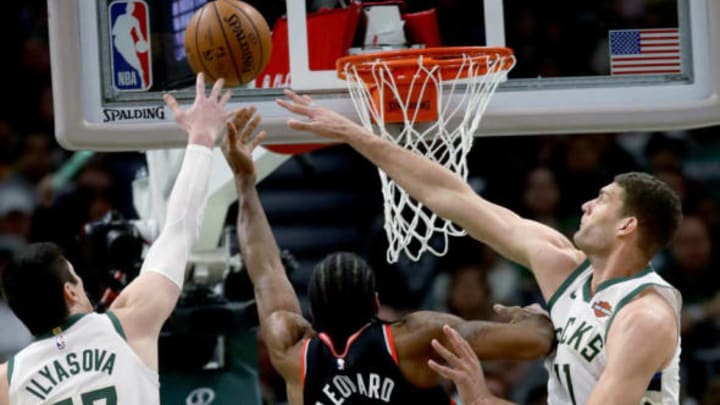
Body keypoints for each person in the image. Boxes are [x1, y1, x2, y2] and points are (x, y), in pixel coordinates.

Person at [276, 90, 683, 404]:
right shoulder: (561, 265)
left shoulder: (644, 316)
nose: (586, 205)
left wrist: (484, 398)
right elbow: (452, 196)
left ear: (628, 225)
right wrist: (354, 134)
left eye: (602, 199)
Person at [220, 108, 556, 405]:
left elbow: (265, 270)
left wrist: (245, 183)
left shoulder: (292, 355)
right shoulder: (415, 337)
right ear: (376, 303)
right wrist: (533, 316)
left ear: (311, 312)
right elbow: (536, 342)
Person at [0, 73, 240, 404]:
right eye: (78, 279)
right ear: (70, 291)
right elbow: (180, 227)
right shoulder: (128, 325)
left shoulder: (7, 381)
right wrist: (201, 135)